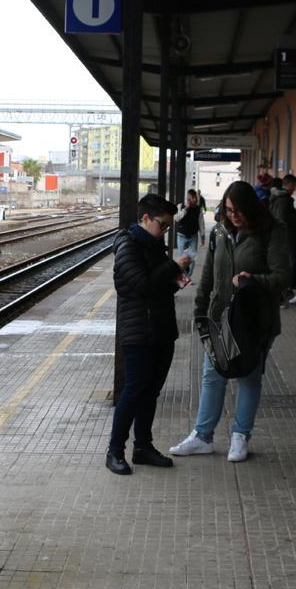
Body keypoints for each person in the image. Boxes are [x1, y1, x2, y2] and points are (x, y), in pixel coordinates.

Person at [170, 180, 290, 462]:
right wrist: (200, 312)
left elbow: (283, 276)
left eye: (237, 210)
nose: (233, 215)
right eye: (228, 209)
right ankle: (203, 436)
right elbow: (209, 275)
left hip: (254, 319)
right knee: (212, 375)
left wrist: (252, 280)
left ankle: (240, 436)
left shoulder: (271, 232)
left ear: (251, 208)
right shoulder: (219, 233)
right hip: (221, 316)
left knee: (248, 376)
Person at [106, 194, 191, 475]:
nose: (165, 231)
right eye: (162, 225)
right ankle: (115, 451)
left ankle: (143, 447)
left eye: (168, 226)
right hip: (139, 332)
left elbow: (157, 287)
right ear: (144, 219)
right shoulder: (128, 247)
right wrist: (173, 267)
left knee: (151, 392)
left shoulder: (153, 246)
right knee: (133, 391)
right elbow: (141, 286)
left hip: (161, 330)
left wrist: (176, 281)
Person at [271, 173, 296, 303]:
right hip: (287, 239)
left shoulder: (282, 198)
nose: (295, 188)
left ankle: (285, 293)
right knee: (289, 265)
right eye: (294, 185)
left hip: (286, 238)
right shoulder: (283, 200)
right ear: (289, 184)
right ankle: (286, 293)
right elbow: (281, 220)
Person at [174, 189, 205, 280]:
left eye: (194, 198)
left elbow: (201, 224)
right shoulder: (181, 206)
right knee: (182, 260)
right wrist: (185, 209)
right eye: (191, 198)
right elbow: (176, 218)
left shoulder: (198, 210)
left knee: (191, 259)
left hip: (193, 237)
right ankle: (183, 278)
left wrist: (202, 237)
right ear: (187, 198)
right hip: (181, 237)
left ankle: (187, 277)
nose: (193, 200)